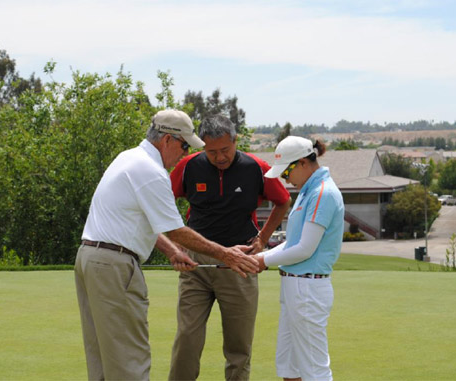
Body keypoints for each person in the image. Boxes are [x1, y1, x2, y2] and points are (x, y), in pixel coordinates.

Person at [74, 109, 259, 381]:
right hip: (114, 265)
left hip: (90, 259)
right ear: (168, 140)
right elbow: (176, 230)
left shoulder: (127, 158)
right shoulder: (151, 171)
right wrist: (225, 254)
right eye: (184, 146)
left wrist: (172, 251)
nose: (184, 154)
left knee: (103, 358)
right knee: (129, 360)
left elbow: (149, 223)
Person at [168, 115, 291, 380]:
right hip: (196, 265)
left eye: (225, 149)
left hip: (240, 264)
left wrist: (262, 239)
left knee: (238, 347)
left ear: (235, 141)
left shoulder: (256, 167)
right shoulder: (189, 166)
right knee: (187, 338)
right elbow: (162, 200)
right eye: (211, 152)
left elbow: (283, 200)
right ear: (202, 147)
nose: (219, 157)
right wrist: (175, 245)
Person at [255, 136, 344, 381]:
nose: (286, 179)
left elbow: (305, 249)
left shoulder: (322, 193)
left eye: (287, 173)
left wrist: (263, 262)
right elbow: (292, 242)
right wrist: (259, 256)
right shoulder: (308, 192)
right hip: (295, 286)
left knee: (315, 370)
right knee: (289, 367)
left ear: (303, 163)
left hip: (308, 288)